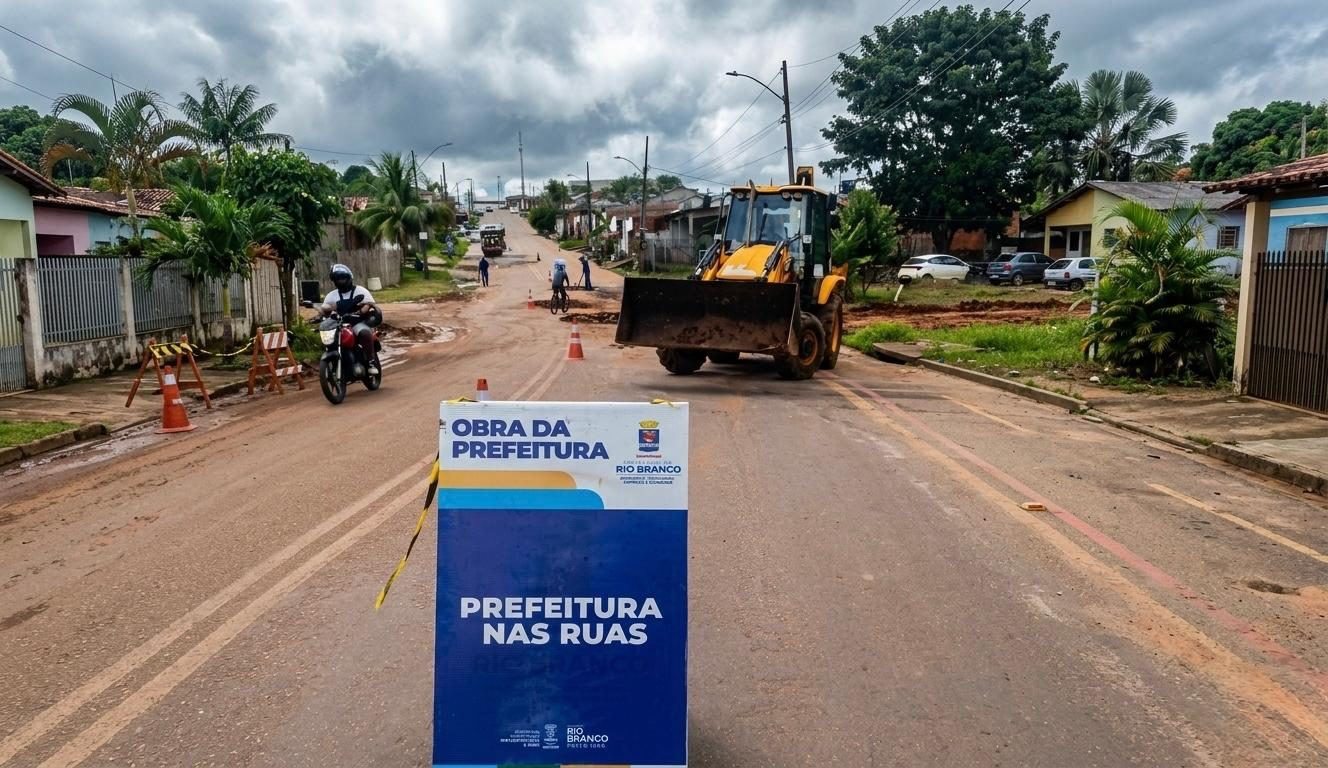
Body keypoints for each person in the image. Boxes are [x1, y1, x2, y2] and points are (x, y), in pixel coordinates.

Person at [320, 263, 380, 375]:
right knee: (329, 338)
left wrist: (361, 311)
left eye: (342, 278)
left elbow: (369, 304)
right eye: (337, 279)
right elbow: (325, 309)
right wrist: (322, 313)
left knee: (364, 333)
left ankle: (371, 362)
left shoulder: (361, 291)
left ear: (349, 278)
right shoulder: (331, 296)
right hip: (338, 324)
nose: (340, 281)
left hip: (357, 322)